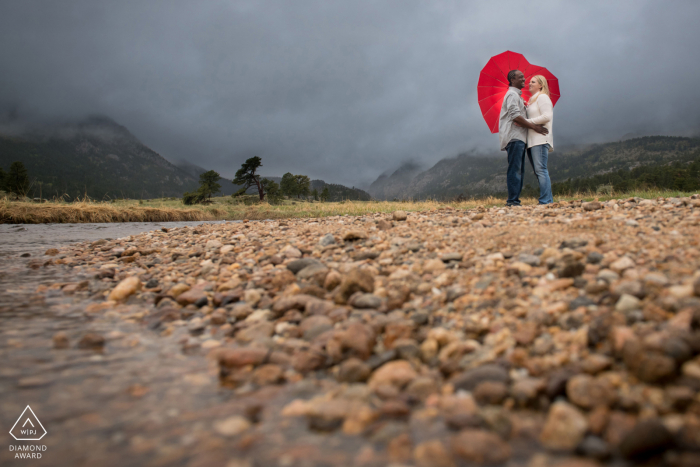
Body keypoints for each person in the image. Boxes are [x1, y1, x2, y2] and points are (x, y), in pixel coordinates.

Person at [498, 70, 548, 206]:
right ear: (513, 79)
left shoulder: (517, 97)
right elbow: (515, 116)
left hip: (519, 138)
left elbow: (518, 115)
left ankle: (514, 200)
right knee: (515, 169)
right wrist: (534, 126)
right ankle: (512, 201)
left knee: (519, 169)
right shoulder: (512, 95)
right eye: (521, 77)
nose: (524, 79)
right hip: (514, 137)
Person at [523, 75, 554, 204]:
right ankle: (548, 199)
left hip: (540, 139)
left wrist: (527, 121)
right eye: (529, 82)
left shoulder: (543, 97)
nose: (529, 84)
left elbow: (547, 116)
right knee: (538, 171)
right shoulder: (532, 100)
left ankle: (546, 200)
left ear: (541, 85)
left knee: (541, 170)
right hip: (531, 141)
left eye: (533, 82)